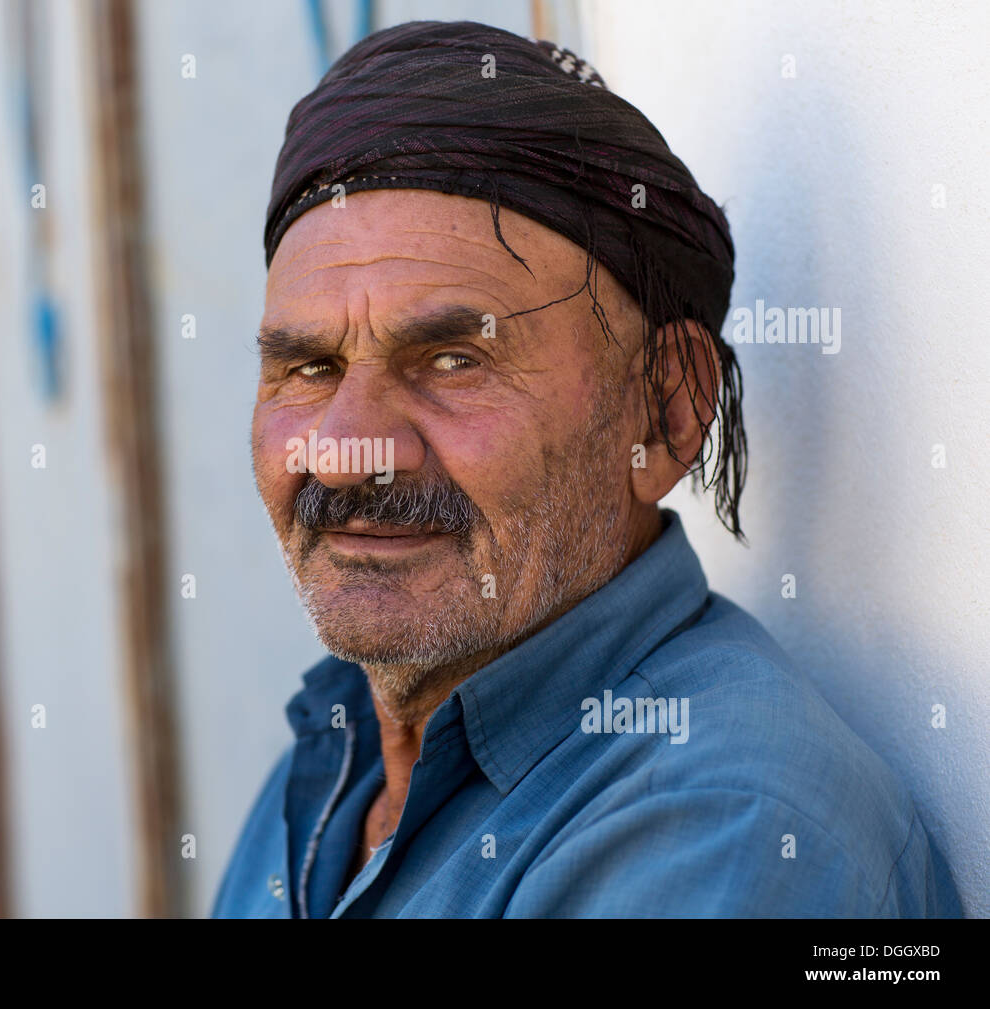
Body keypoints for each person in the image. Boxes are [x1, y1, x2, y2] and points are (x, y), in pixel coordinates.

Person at [212, 20, 961, 918]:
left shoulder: (723, 825)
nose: (344, 450)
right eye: (309, 367)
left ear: (667, 408)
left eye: (454, 358)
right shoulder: (340, 754)